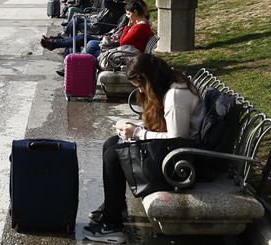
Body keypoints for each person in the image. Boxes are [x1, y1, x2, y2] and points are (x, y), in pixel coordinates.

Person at [82, 55, 202, 243]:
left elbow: (178, 139)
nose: (140, 91)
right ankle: (115, 208)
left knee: (115, 154)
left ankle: (112, 225)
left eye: (139, 85)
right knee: (111, 143)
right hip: (179, 157)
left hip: (185, 165)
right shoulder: (171, 87)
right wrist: (135, 128)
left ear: (149, 79)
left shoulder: (175, 96)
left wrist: (138, 132)